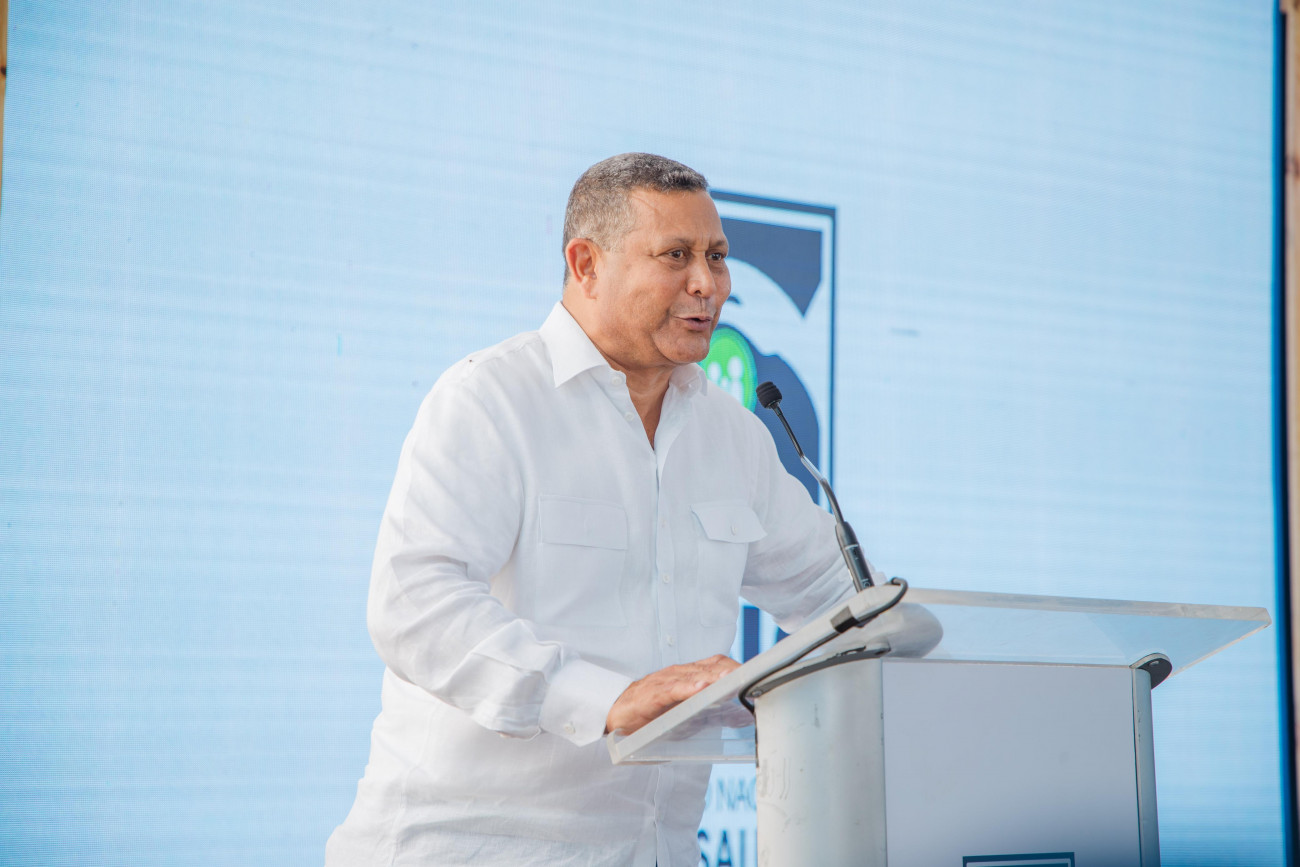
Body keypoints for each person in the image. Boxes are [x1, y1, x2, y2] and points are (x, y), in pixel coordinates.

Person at [325, 153, 865, 867]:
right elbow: (414, 603)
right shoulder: (491, 400)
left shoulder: (734, 436)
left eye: (716, 256)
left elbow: (839, 602)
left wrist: (900, 640)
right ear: (586, 265)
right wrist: (604, 699)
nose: (708, 284)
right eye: (676, 255)